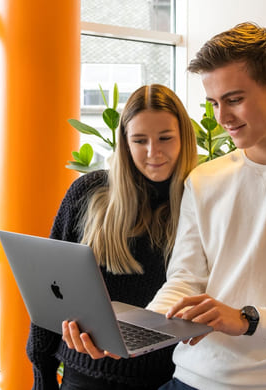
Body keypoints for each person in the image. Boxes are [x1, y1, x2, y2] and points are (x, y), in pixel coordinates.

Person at [142, 22, 266, 389]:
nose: (222, 118)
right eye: (214, 103)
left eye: (233, 100)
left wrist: (249, 319)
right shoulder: (203, 179)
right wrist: (143, 329)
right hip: (188, 377)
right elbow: (184, 279)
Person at [26, 84, 198, 390]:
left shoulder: (200, 201)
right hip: (84, 375)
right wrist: (43, 374)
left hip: (170, 380)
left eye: (165, 138)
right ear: (124, 143)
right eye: (139, 140)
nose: (152, 152)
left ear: (184, 137)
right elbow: (48, 292)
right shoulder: (89, 193)